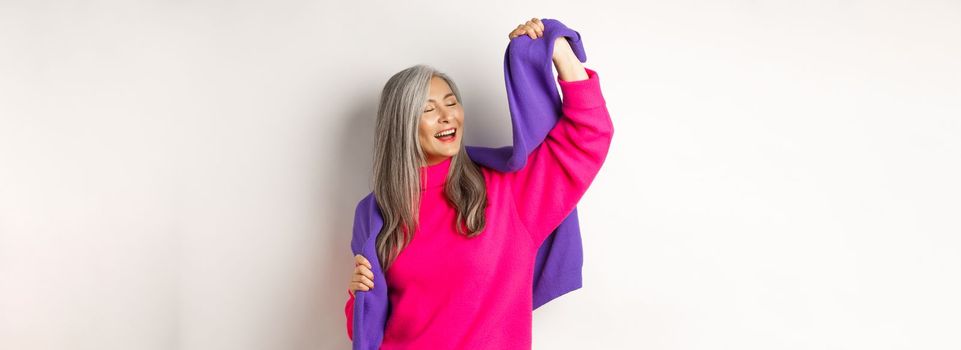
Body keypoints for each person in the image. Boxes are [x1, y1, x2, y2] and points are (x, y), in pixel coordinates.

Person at [345, 17, 614, 349]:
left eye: (451, 102)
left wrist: (559, 51)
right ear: (401, 125)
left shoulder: (506, 192)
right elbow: (368, 327)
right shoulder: (373, 211)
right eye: (428, 109)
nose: (447, 116)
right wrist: (357, 296)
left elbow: (587, 137)